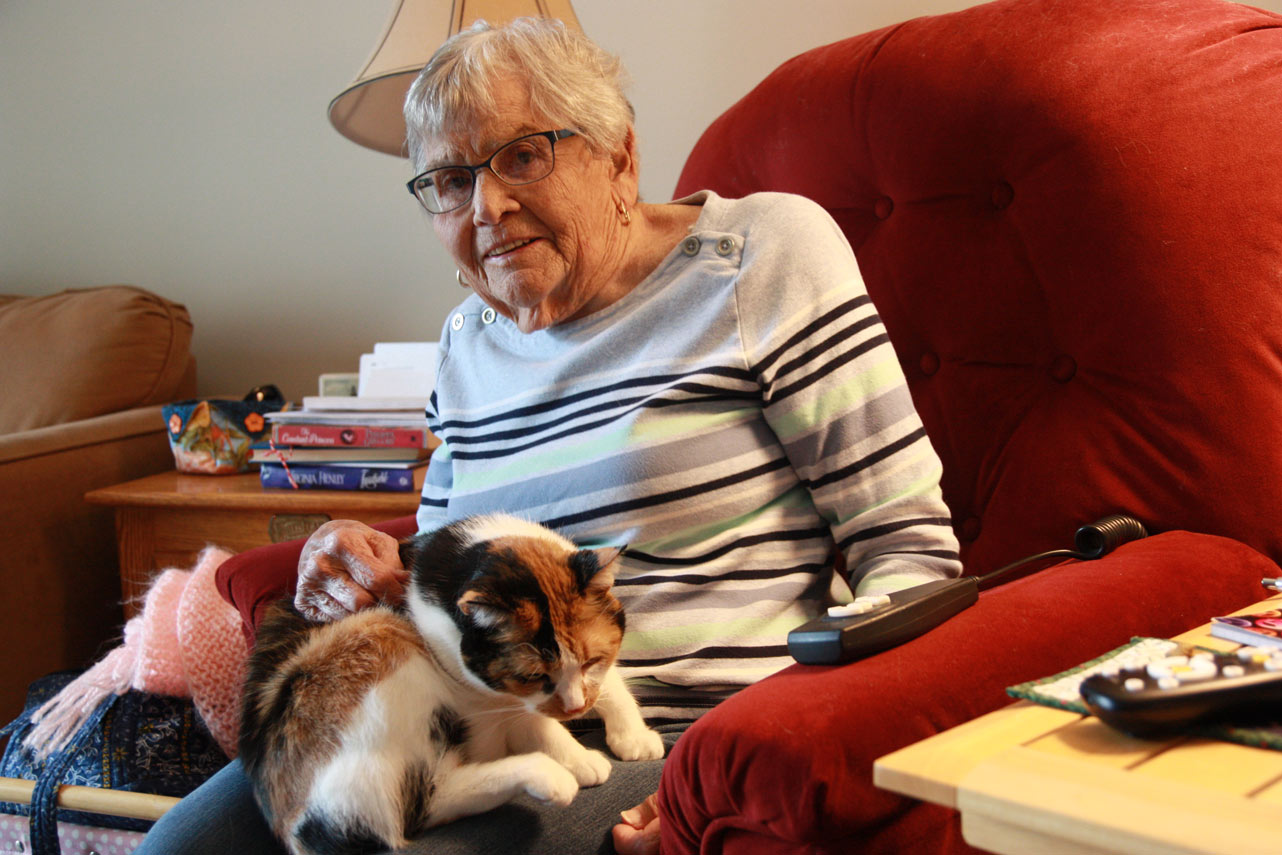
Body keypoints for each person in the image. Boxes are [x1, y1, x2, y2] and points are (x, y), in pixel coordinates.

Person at [137, 17, 961, 855]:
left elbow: (908, 549)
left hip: (677, 735)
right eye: (450, 182)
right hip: (479, 716)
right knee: (174, 849)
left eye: (522, 155)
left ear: (619, 157)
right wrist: (366, 563)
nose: (487, 206)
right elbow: (451, 567)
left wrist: (756, 762)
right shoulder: (467, 339)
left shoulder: (757, 256)